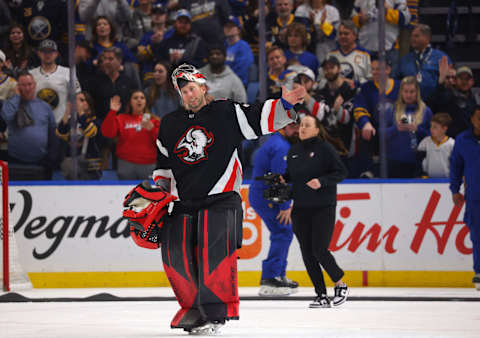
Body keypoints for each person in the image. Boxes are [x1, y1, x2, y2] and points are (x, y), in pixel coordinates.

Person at [153, 63, 305, 334]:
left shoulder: (225, 111)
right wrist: (158, 199)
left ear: (203, 87)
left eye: (191, 88)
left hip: (221, 199)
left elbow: (259, 116)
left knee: (215, 258)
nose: (189, 95)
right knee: (177, 257)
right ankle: (194, 308)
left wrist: (285, 107)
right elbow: (163, 168)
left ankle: (215, 315)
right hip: (184, 202)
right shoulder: (169, 124)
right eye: (183, 91)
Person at [282, 114, 348, 308]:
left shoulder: (325, 149)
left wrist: (322, 181)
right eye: (301, 125)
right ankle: (321, 294)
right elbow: (292, 176)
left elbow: (341, 172)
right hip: (300, 209)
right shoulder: (294, 151)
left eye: (307, 125)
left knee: (319, 249)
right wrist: (282, 180)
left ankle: (340, 284)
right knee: (307, 253)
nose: (302, 128)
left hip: (322, 207)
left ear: (317, 130)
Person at [249, 122, 300, 297]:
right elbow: (280, 178)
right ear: (283, 128)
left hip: (265, 194)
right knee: (282, 231)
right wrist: (285, 206)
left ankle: (277, 274)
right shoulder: (280, 147)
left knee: (283, 232)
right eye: (293, 128)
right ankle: (270, 277)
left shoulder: (280, 143)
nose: (296, 131)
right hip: (266, 196)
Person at [0, 71, 58, 180]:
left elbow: (53, 134)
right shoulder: (11, 104)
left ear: (35, 85)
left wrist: (51, 158)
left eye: (29, 84)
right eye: (23, 85)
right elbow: (6, 116)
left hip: (40, 163)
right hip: (15, 162)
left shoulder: (45, 107)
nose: (27, 88)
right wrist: (16, 96)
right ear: (18, 87)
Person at [449, 106, 480, 290]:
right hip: (475, 196)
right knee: (477, 235)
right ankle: (479, 271)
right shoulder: (463, 140)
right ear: (472, 120)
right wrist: (455, 189)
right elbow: (456, 166)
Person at [101, 90, 160, 180]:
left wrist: (152, 129)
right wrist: (112, 112)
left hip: (148, 165)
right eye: (135, 98)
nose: (139, 100)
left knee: (148, 193)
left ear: (145, 102)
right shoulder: (121, 118)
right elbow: (108, 133)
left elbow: (162, 142)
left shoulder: (154, 120)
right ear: (130, 102)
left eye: (142, 98)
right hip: (126, 164)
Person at [385, 76, 432, 178]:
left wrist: (418, 130)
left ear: (417, 93)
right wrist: (395, 129)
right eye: (406, 91)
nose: (408, 95)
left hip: (417, 163)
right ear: (401, 92)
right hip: (394, 162)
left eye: (412, 92)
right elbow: (382, 134)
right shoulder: (392, 109)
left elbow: (433, 136)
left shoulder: (426, 111)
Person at [30, 39, 82, 123]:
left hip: (61, 125)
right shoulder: (30, 75)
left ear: (56, 54)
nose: (47, 54)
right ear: (39, 53)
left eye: (51, 51)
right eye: (44, 51)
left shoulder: (68, 72)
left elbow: (77, 97)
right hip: (37, 125)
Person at [396, 24, 451, 100]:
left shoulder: (440, 57)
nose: (412, 39)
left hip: (435, 102)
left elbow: (449, 81)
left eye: (416, 36)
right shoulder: (405, 59)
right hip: (409, 101)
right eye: (411, 36)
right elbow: (397, 80)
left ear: (427, 38)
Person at [56, 92, 103, 180]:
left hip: (91, 164)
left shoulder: (96, 121)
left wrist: (81, 112)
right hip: (72, 163)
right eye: (75, 100)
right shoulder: (71, 121)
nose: (77, 103)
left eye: (81, 100)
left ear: (89, 104)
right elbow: (60, 134)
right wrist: (66, 113)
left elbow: (91, 131)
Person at [326, 20, 371, 87]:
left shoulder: (365, 55)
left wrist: (355, 83)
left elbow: (371, 79)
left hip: (358, 95)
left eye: (346, 34)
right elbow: (322, 79)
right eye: (340, 34)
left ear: (355, 36)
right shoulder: (330, 55)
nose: (342, 36)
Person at [417, 112, 454, 178]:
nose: (431, 129)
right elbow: (418, 162)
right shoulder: (425, 142)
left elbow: (457, 164)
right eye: (431, 126)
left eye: (435, 127)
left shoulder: (452, 144)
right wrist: (422, 175)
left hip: (447, 181)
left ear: (444, 129)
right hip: (428, 181)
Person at [224, 16, 254, 87]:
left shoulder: (243, 46)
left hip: (238, 84)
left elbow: (243, 70)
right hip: (223, 83)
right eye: (226, 26)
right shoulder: (223, 46)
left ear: (238, 30)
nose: (229, 29)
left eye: (232, 26)